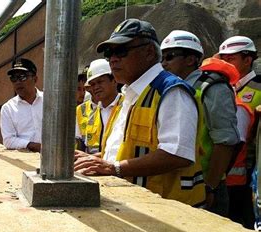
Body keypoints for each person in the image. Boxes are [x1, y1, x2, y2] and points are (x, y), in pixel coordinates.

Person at [74, 19, 204, 206]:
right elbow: (126, 150)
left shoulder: (171, 91)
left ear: (149, 52)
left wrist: (113, 168)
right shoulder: (129, 95)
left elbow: (177, 154)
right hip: (137, 206)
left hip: (170, 210)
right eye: (109, 53)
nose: (113, 59)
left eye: (121, 51)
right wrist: (95, 159)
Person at [160, 30, 241, 217]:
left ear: (190, 59)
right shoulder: (173, 89)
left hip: (206, 186)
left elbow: (225, 142)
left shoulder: (213, 88)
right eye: (162, 57)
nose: (164, 63)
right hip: (180, 183)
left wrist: (210, 187)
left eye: (170, 57)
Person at [219, 36, 260, 227]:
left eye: (231, 59)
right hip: (226, 173)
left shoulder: (259, 87)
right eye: (223, 59)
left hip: (251, 173)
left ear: (247, 59)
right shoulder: (223, 88)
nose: (226, 63)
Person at [75, 59, 120, 155]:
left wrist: (90, 158)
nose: (96, 87)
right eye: (93, 84)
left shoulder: (126, 106)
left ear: (114, 80)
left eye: (100, 82)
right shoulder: (92, 112)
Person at [0, 58, 42, 152]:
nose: (17, 82)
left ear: (35, 79)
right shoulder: (8, 108)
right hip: (25, 158)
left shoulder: (50, 101)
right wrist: (34, 146)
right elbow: (8, 140)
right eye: (13, 78)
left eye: (22, 77)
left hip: (55, 157)